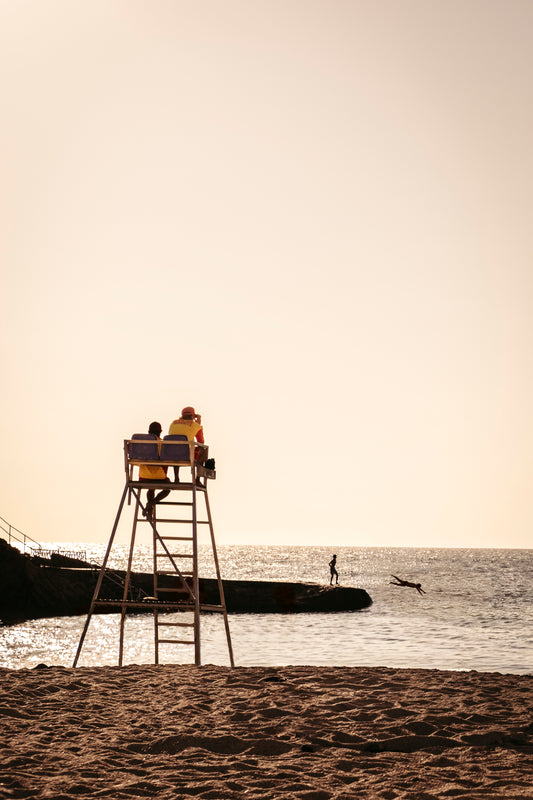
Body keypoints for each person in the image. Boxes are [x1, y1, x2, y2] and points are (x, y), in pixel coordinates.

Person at [139, 421, 170, 520]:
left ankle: (150, 506)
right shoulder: (163, 444)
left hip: (143, 477)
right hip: (159, 477)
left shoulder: (141, 444)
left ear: (148, 432)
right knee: (167, 488)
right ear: (160, 432)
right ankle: (152, 503)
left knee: (151, 488)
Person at [168, 406, 207, 483]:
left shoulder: (173, 423)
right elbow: (201, 442)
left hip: (171, 454)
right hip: (186, 454)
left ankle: (176, 477)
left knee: (176, 447)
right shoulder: (195, 425)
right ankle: (197, 479)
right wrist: (199, 420)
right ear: (193, 416)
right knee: (203, 450)